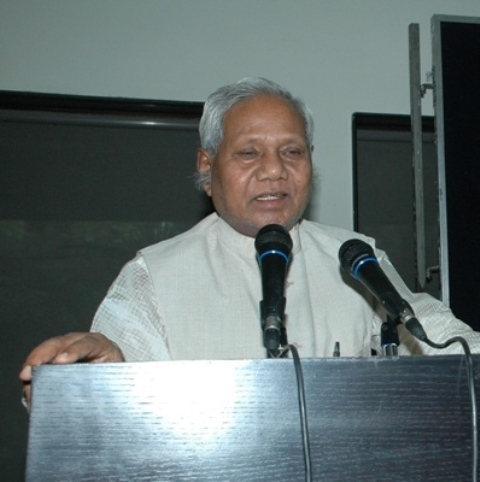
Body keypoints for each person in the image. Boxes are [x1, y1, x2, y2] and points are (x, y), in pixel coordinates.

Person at [19, 77, 480, 403]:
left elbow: (439, 337)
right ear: (206, 166)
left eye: (292, 151)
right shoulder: (154, 276)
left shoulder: (356, 258)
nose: (275, 170)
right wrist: (87, 382)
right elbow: (109, 394)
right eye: (249, 153)